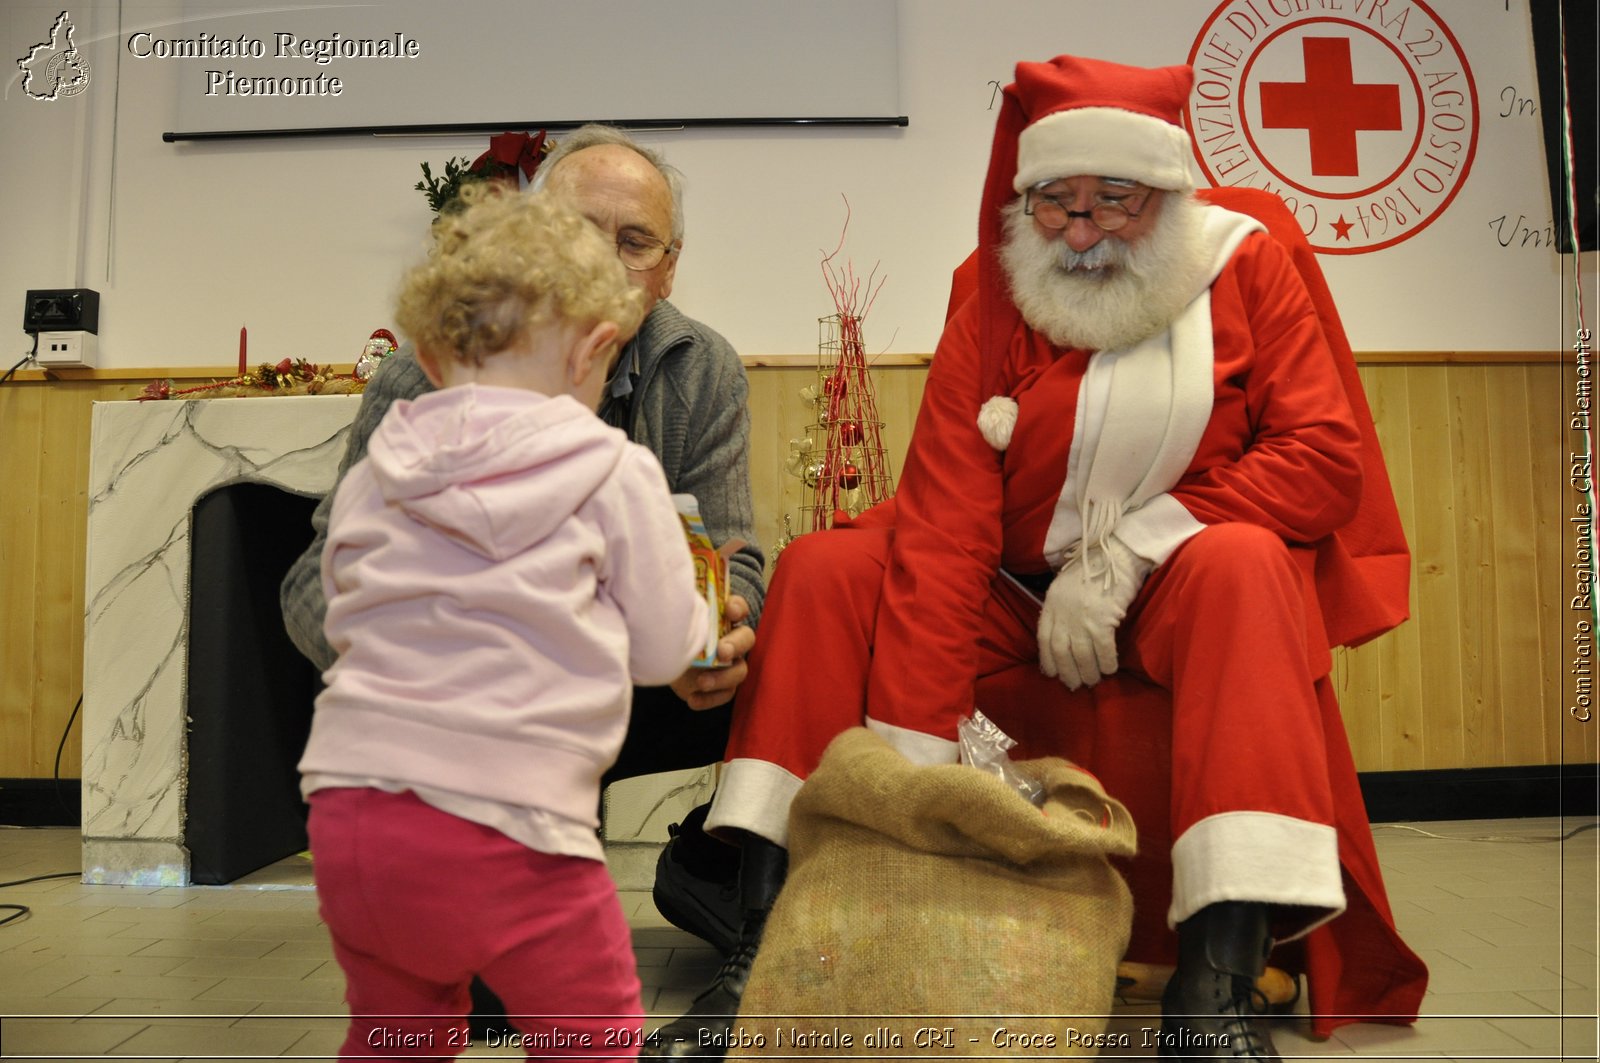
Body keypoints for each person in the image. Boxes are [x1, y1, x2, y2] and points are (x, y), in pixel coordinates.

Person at [646, 55, 1428, 1061]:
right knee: (823, 573)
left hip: (1178, 569)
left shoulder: (1248, 263)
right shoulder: (991, 282)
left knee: (1244, 566)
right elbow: (949, 513)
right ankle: (759, 955)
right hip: (1013, 579)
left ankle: (1215, 984)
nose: (1082, 227)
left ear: (1170, 194)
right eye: (1056, 200)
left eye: (1116, 199)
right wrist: (913, 766)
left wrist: (1132, 552)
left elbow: (1320, 462)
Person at [280, 125, 759, 954]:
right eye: (578, 232)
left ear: (669, 265)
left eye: (635, 242)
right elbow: (310, 586)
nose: (605, 262)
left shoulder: (703, 367)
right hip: (446, 717)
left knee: (788, 640)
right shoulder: (413, 380)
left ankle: (725, 872)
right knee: (523, 998)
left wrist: (720, 620)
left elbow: (731, 553)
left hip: (632, 684)